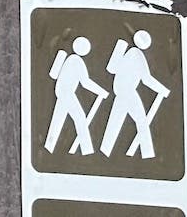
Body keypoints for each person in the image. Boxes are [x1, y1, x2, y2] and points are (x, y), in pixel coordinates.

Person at [101, 28, 171, 159]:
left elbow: (114, 70)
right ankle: (147, 154)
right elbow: (146, 79)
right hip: (128, 93)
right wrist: (162, 90)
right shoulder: (137, 56)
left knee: (115, 122)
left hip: (120, 92)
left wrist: (162, 90)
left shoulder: (128, 53)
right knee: (141, 121)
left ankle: (105, 151)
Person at [45, 34, 108, 155]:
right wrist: (101, 91)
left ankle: (49, 146)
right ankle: (87, 150)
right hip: (67, 93)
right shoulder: (77, 61)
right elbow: (85, 82)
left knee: (58, 121)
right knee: (80, 119)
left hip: (61, 92)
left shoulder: (70, 59)